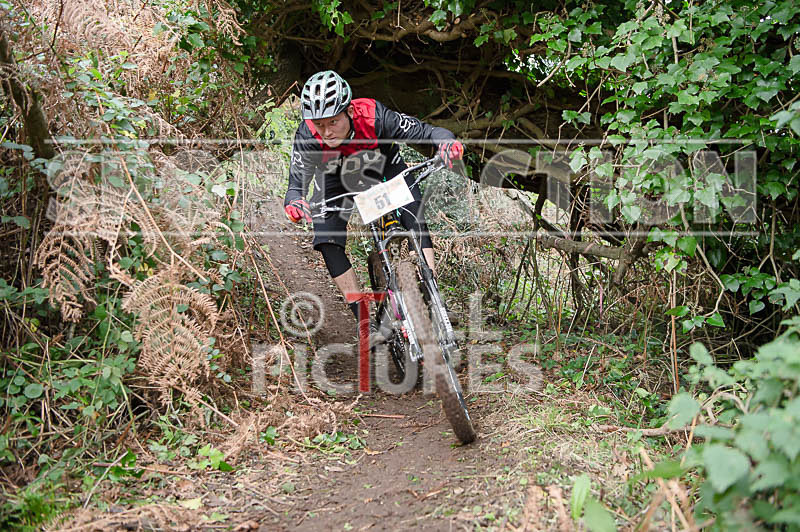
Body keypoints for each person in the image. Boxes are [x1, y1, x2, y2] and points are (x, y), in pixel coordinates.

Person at [283, 70, 464, 341]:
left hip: (384, 166)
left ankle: (433, 295)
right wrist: (295, 202)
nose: (327, 131)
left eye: (333, 121)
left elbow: (426, 132)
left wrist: (446, 142)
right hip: (334, 179)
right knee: (327, 240)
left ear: (349, 112)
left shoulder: (374, 115)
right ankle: (364, 320)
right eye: (320, 125)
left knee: (415, 217)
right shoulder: (308, 136)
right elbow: (296, 184)